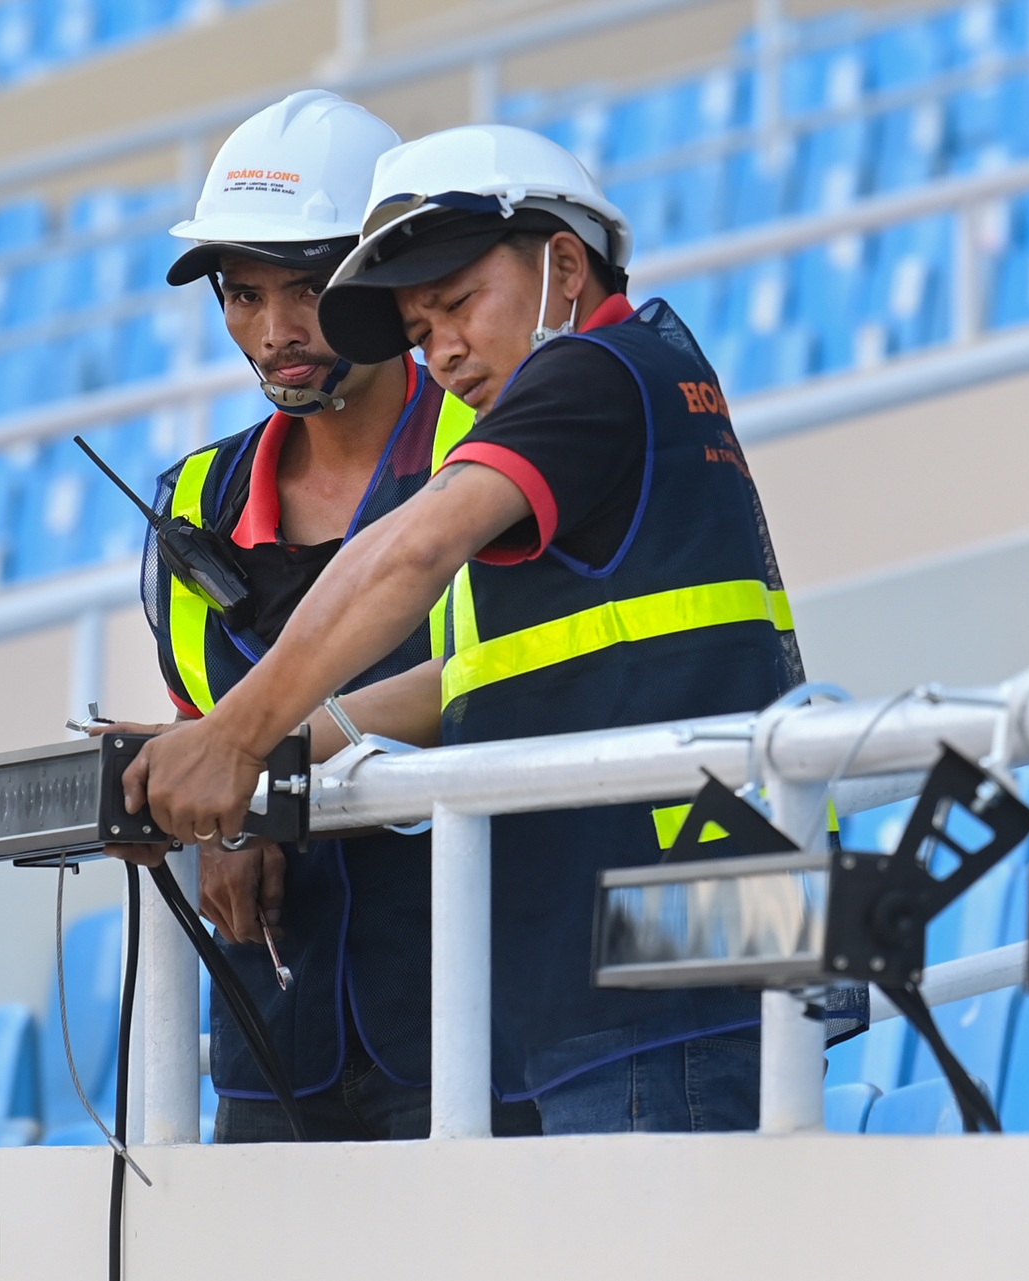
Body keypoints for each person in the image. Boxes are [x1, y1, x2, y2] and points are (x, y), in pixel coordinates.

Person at [119, 124, 810, 1134]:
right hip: (662, 929)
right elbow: (483, 679)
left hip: (655, 948)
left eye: (456, 304)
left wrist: (235, 737)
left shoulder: (589, 375)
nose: (440, 348)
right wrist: (250, 755)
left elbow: (402, 559)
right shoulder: (638, 373)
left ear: (563, 265)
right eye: (417, 324)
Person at [114, 90, 533, 1142]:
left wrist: (257, 762)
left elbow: (508, 676)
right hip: (273, 1028)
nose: (274, 332)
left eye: (308, 288)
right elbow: (199, 717)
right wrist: (216, 809)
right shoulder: (193, 502)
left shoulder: (494, 454)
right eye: (241, 293)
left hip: (479, 1013)